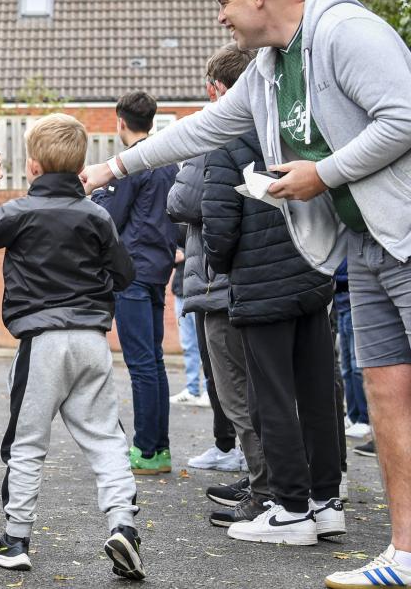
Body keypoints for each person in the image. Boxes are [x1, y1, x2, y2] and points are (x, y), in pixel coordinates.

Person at [80, 0, 411, 587]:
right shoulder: (268, 69)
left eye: (224, 3)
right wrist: (113, 166)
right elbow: (202, 129)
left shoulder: (345, 33)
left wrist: (325, 173)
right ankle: (403, 554)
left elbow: (404, 115)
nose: (222, 18)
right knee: (389, 397)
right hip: (366, 247)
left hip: (405, 237)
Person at [0, 115, 143, 580]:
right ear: (80, 165)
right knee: (107, 439)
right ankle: (123, 525)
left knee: (28, 442)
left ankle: (16, 538)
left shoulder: (19, 212)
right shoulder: (97, 215)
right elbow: (125, 274)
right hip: (91, 342)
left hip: (41, 342)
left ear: (33, 166)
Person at [202, 123, 340, 544]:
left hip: (262, 287)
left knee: (271, 397)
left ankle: (292, 508)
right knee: (318, 393)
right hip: (312, 273)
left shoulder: (228, 145)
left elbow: (219, 230)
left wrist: (222, 264)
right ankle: (326, 502)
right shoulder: (300, 130)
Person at [167, 44, 267, 522]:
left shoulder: (218, 134)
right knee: (261, 387)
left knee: (234, 389)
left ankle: (266, 485)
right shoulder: (269, 126)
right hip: (258, 278)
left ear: (215, 89)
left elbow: (183, 201)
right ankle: (271, 479)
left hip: (219, 280)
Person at [91, 91, 177, 476]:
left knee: (141, 363)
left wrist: (96, 194)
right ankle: (159, 448)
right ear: (153, 121)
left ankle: (144, 448)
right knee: (154, 361)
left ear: (120, 121)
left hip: (133, 272)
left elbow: (112, 216)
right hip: (158, 268)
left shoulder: (129, 167)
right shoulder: (167, 163)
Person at [169, 226, 208, 407]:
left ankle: (209, 391)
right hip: (181, 289)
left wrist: (184, 253)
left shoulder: (202, 216)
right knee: (188, 344)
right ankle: (192, 389)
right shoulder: (176, 223)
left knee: (204, 345)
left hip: (200, 290)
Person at [334, 261, 371, 439]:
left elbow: (346, 273)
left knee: (357, 367)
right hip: (341, 306)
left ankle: (365, 419)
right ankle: (353, 415)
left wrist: (333, 277)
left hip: (354, 304)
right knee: (347, 368)